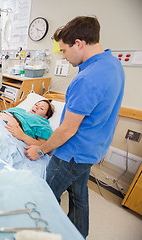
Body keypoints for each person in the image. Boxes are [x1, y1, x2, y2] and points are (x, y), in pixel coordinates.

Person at [24, 16, 125, 238]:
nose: (63, 56)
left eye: (63, 50)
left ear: (79, 43)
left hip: (70, 154)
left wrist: (40, 150)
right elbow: (113, 114)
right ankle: (79, 235)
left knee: (45, 199)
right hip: (91, 151)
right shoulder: (113, 65)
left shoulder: (88, 78)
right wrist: (102, 147)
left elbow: (68, 130)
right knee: (79, 197)